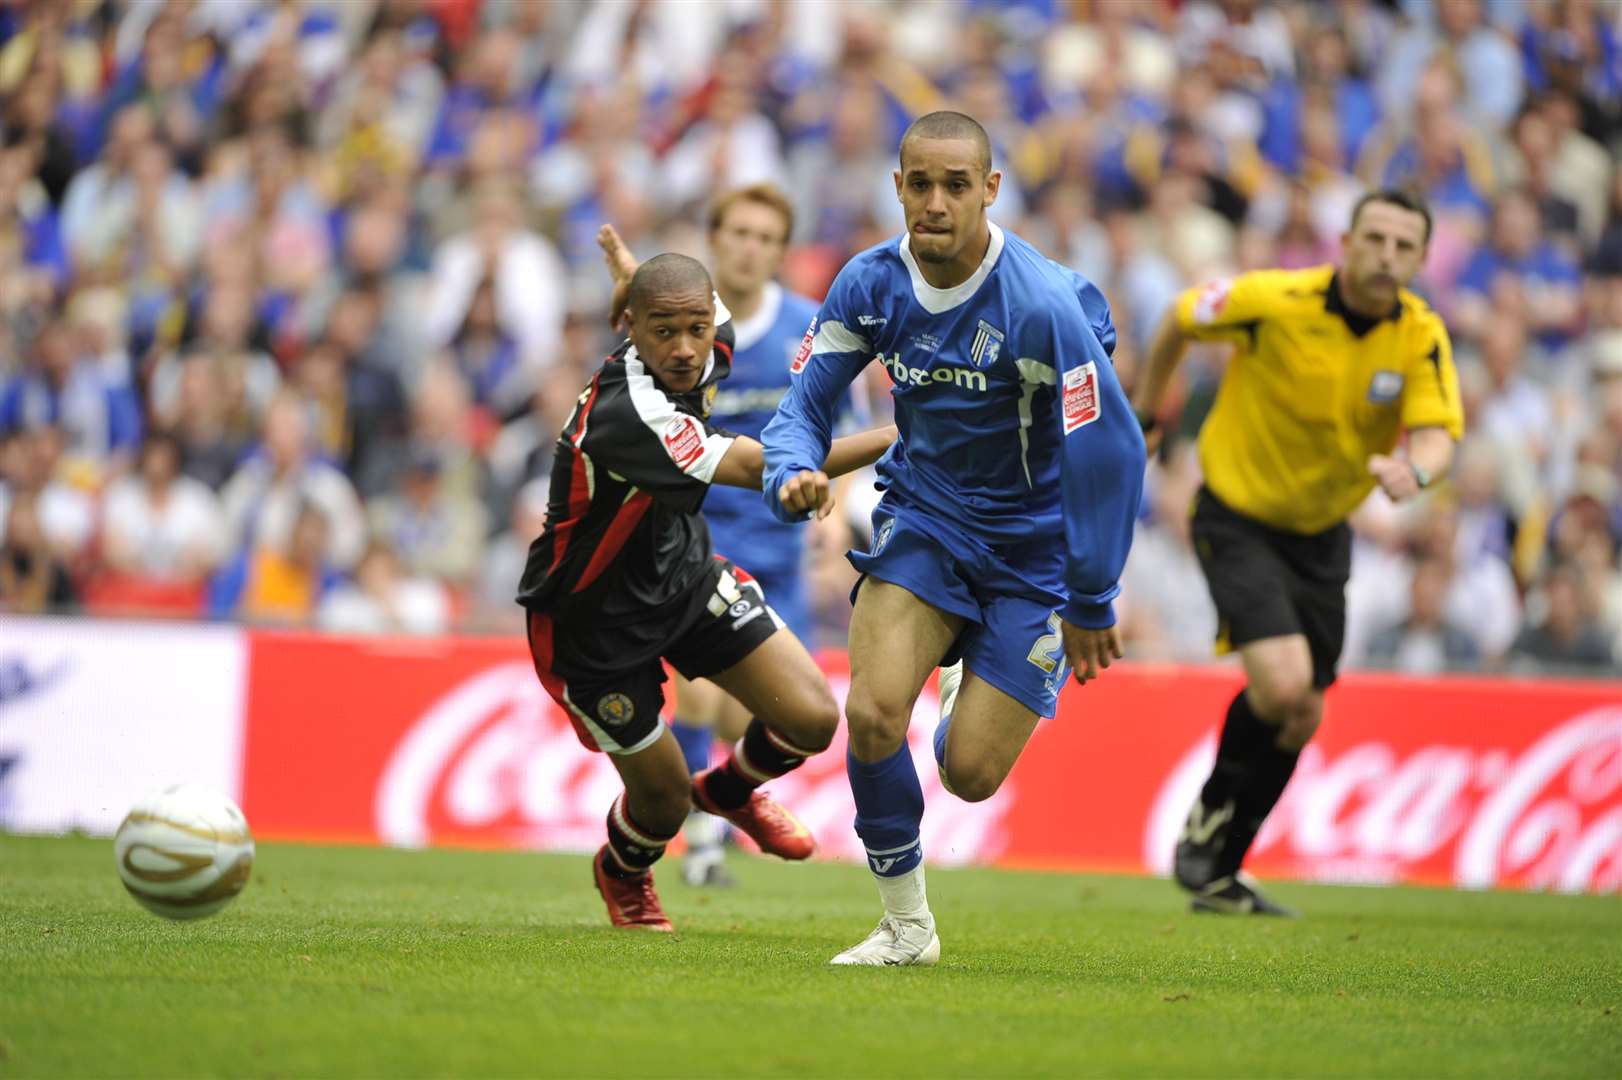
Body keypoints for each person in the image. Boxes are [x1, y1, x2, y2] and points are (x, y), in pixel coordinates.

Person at [761, 111, 1146, 966]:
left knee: (970, 773)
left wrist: (1091, 594)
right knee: (869, 714)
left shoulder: (1043, 306)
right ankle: (907, 928)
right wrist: (788, 469)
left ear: (990, 191)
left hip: (1034, 554)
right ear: (897, 186)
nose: (935, 202)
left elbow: (1111, 449)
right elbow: (803, 407)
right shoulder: (868, 283)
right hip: (926, 521)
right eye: (920, 184)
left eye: (956, 185)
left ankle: (980, 661)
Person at [517, 252, 897, 932]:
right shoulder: (628, 415)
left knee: (812, 718)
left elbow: (694, 310)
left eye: (696, 327)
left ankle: (727, 790)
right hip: (591, 624)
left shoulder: (703, 335)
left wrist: (642, 288)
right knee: (660, 807)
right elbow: (757, 466)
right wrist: (905, 433)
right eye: (665, 331)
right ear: (630, 330)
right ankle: (623, 871)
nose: (688, 348)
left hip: (682, 577)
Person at [1131, 188, 1464, 915]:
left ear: (1421, 259)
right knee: (1283, 686)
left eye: (1403, 246)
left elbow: (1438, 430)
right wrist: (1147, 413)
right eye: (1374, 239)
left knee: (1304, 710)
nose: (1386, 256)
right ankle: (1209, 814)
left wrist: (1419, 469)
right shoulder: (1275, 299)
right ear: (1344, 241)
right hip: (1237, 513)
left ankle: (1221, 869)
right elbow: (1181, 317)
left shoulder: (1418, 335)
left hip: (1322, 534)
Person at [600, 184, 866, 888]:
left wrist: (837, 516)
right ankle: (704, 840)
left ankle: (716, 802)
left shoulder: (811, 330)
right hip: (691, 545)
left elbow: (840, 425)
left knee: (779, 715)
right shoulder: (681, 330)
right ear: (715, 240)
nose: (750, 247)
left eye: (765, 237)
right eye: (739, 232)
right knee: (700, 695)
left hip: (779, 549)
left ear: (782, 252)